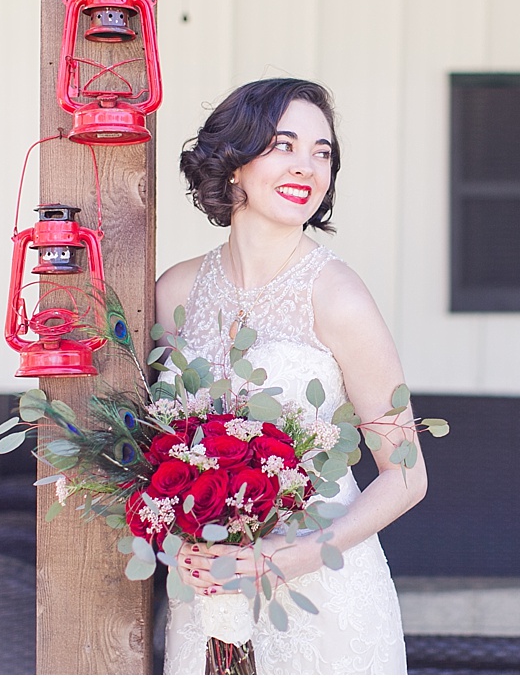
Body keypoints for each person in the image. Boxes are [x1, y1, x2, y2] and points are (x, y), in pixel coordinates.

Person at [155, 78, 427, 674]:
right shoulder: (175, 293)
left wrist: (287, 558)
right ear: (233, 164)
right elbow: (150, 445)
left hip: (322, 595)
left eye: (322, 151)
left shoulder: (338, 296)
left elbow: (407, 476)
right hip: (207, 594)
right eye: (283, 145)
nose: (308, 165)